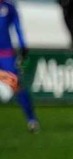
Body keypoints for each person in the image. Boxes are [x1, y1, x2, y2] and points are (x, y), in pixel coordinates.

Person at [0, 0, 39, 132]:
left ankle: (31, 119)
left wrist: (23, 46)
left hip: (5, 54)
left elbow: (17, 27)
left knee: (16, 85)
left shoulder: (8, 7)